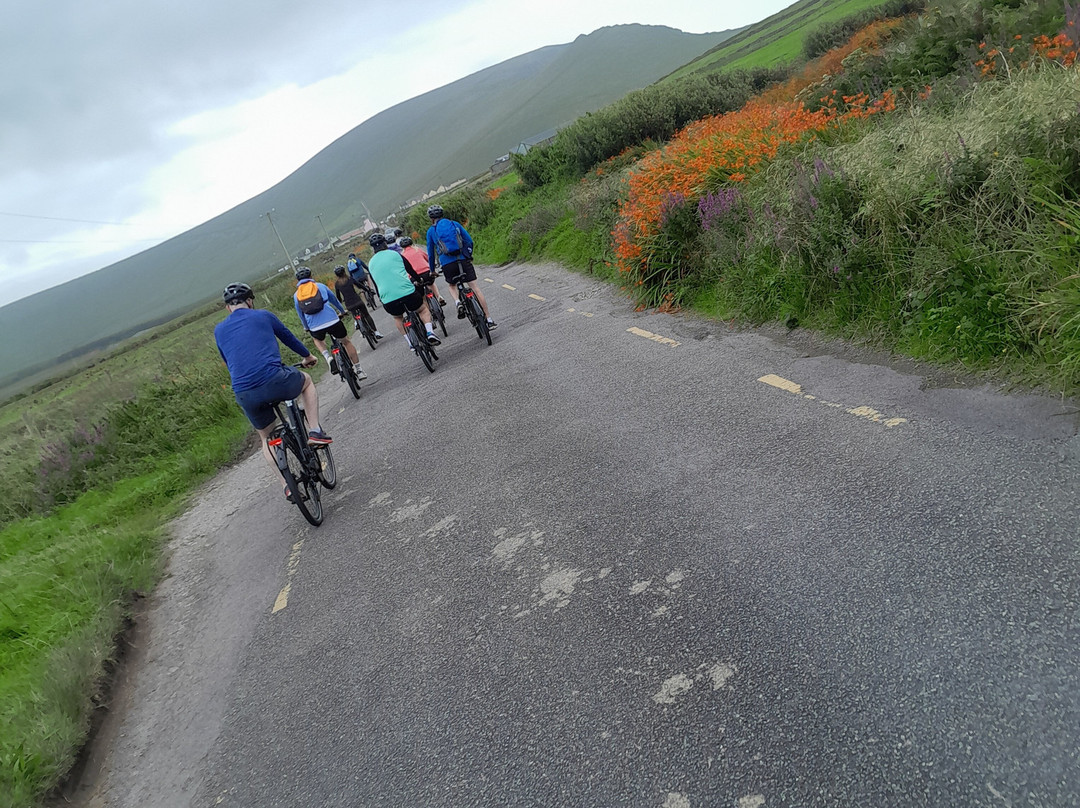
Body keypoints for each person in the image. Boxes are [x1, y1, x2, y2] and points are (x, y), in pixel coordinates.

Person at [214, 282, 331, 500]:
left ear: (227, 307)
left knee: (266, 438)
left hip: (244, 392)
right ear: (250, 301)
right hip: (274, 380)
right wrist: (307, 356)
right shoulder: (263, 315)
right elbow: (288, 338)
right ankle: (315, 431)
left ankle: (286, 485)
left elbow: (228, 360)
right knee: (306, 382)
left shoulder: (219, 330)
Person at [366, 232, 442, 351]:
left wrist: (381, 297)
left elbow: (376, 282)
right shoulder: (395, 254)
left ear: (373, 248)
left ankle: (410, 342)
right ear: (385, 243)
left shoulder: (371, 263)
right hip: (408, 293)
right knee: (422, 309)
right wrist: (419, 280)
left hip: (388, 299)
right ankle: (430, 332)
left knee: (398, 318)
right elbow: (410, 270)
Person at [425, 205, 496, 329]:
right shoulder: (454, 224)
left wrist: (432, 270)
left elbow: (431, 254)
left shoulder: (431, 231)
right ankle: (489, 319)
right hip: (462, 259)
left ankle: (458, 302)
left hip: (447, 264)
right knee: (475, 288)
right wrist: (468, 255)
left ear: (431, 218)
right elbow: (469, 240)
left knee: (452, 286)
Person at [293, 266, 367, 379]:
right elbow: (334, 301)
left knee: (317, 339)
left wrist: (306, 327)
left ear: (298, 280)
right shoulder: (320, 286)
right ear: (311, 276)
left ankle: (328, 357)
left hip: (315, 326)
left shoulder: (296, 295)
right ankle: (359, 370)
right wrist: (342, 311)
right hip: (332, 320)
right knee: (346, 342)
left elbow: (301, 314)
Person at [333, 265, 383, 340]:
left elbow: (338, 297)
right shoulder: (350, 279)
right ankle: (376, 332)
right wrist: (367, 289)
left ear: (336, 275)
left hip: (349, 304)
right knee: (366, 315)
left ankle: (356, 321)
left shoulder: (337, 284)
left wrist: (340, 303)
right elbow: (360, 285)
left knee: (354, 313)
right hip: (358, 301)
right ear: (344, 272)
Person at [398, 236, 447, 306]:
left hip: (414, 277)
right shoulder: (417, 250)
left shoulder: (402, 256)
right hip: (426, 273)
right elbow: (428, 258)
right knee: (431, 283)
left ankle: (427, 307)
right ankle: (439, 296)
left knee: (421, 295)